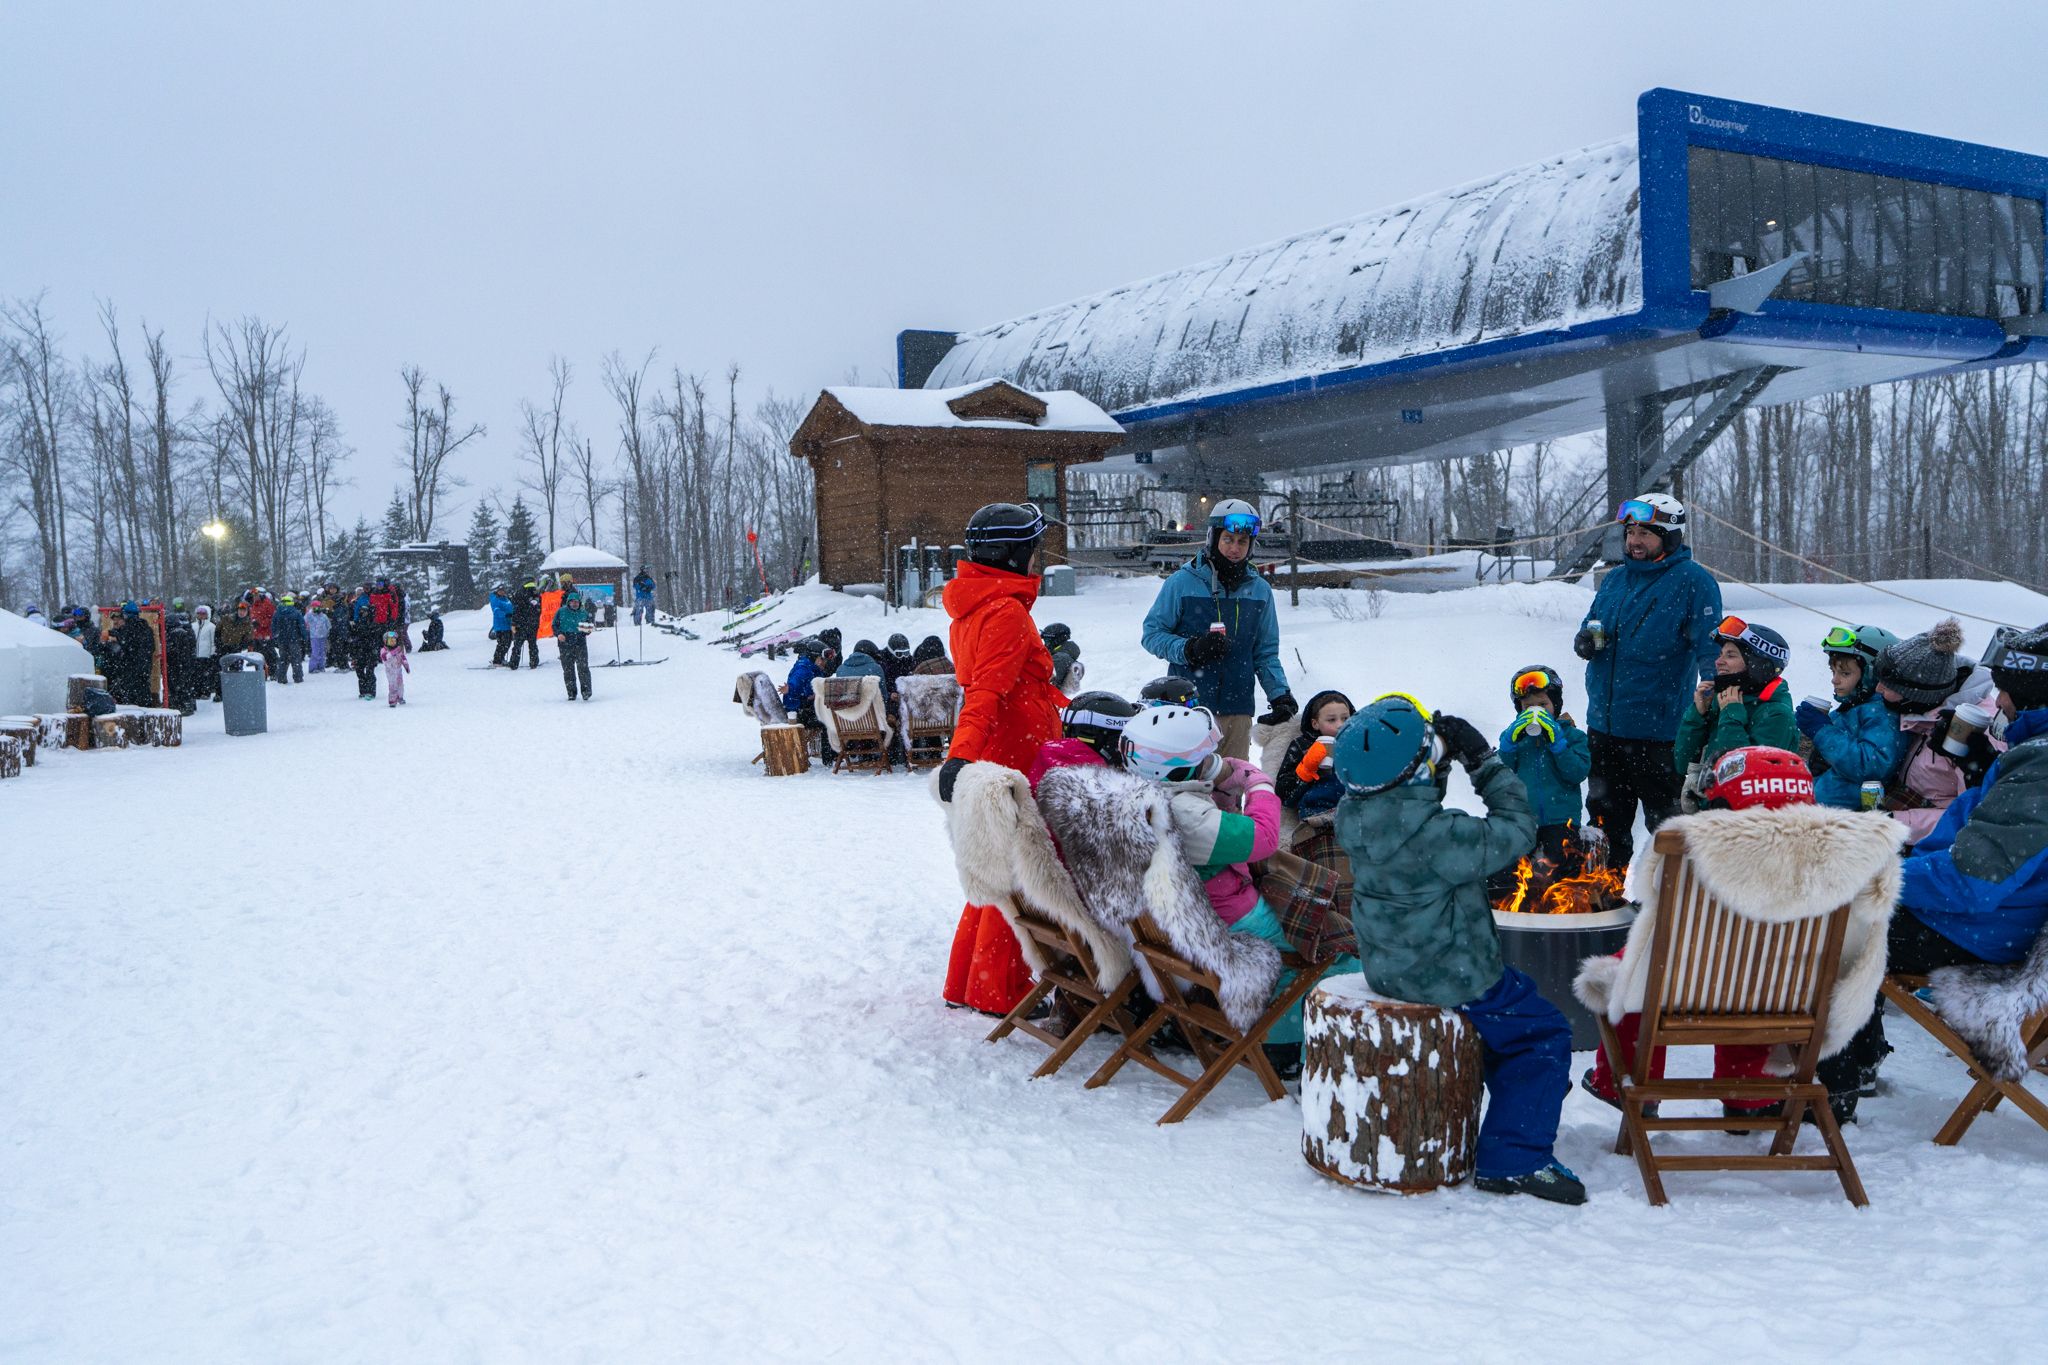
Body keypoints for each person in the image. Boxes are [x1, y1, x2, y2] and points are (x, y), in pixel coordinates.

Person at [1331, 694, 1584, 1204]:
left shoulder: (1353, 815)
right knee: (1543, 1034)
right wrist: (1483, 761)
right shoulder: (1441, 836)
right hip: (1450, 974)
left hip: (1390, 965)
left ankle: (1511, 1100)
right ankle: (1516, 1159)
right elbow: (1517, 829)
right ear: (1420, 771)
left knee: (1516, 1008)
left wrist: (1435, 762)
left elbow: (1399, 796)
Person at [1579, 745, 1896, 1127]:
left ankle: (1632, 1086)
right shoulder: (1856, 856)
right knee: (1769, 969)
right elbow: (1862, 952)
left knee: (1632, 966)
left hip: (1694, 992)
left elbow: (1653, 927)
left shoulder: (1690, 850)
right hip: (1796, 999)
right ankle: (1748, 1095)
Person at [1821, 621, 2048, 1113]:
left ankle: (1826, 1088)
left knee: (1822, 928)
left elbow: (1970, 881)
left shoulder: (2040, 769)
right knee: (1841, 911)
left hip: (1987, 931)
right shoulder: (2031, 755)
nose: (1999, 701)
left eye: (2006, 689)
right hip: (1994, 917)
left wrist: (1876, 879)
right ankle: (1850, 1066)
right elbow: (1961, 846)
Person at [1123, 702, 1359, 1077]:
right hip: (1225, 919)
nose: (1214, 762)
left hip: (1187, 915)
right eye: (1205, 759)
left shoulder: (1141, 797)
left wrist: (1216, 788)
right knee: (1324, 947)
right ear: (1180, 767)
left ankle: (1281, 1040)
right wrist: (1258, 783)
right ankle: (1290, 1047)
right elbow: (1263, 839)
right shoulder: (1186, 816)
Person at [935, 502, 1067, 1016]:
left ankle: (966, 981)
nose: (1037, 558)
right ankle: (999, 989)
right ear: (1011, 554)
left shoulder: (977, 606)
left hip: (1001, 747)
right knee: (1016, 873)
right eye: (1031, 548)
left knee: (990, 869)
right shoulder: (1006, 611)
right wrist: (958, 758)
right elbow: (986, 693)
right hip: (1015, 752)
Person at [1572, 493, 1722, 866]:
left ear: (1670, 537)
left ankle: (1669, 912)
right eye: (1630, 532)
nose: (1634, 541)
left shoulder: (1693, 581)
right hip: (1605, 730)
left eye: (1645, 533)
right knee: (1604, 829)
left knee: (1669, 834)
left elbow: (1711, 651)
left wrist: (1714, 711)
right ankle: (1602, 905)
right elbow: (1593, 621)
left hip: (1659, 736)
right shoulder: (1616, 580)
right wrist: (1585, 639)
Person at [1140, 498, 1294, 760]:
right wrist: (1189, 649)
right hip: (1189, 708)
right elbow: (1152, 635)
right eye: (1228, 539)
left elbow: (1265, 652)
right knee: (1190, 790)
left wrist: (1280, 695)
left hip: (1238, 709)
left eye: (1242, 542)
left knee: (1232, 788)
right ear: (1213, 538)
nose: (1234, 548)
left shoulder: (1259, 591)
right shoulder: (1182, 583)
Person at [1874, 619, 2003, 842]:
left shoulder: (1973, 730)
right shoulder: (1925, 708)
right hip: (1908, 819)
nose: (1878, 689)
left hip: (1935, 843)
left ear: (1916, 694)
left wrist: (1896, 823)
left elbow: (1972, 818)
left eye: (1888, 686)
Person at [1674, 616, 1796, 804]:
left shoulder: (1776, 714)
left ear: (1758, 664)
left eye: (1730, 655)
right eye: (1720, 654)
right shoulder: (1723, 699)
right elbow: (1682, 763)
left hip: (1748, 819)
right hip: (1715, 811)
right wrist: (1697, 716)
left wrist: (1732, 716)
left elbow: (1742, 776)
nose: (1718, 662)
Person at [1495, 665, 1594, 879]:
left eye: (1543, 704)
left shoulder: (1572, 736)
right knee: (1504, 872)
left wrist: (1558, 743)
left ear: (1555, 705)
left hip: (1561, 821)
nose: (1536, 710)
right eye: (1528, 706)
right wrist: (1508, 745)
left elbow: (1577, 773)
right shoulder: (1514, 737)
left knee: (1561, 871)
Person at [1794, 624, 1904, 811]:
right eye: (1833, 671)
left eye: (1845, 673)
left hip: (1847, 817)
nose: (1835, 679)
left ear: (1872, 674)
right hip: (1822, 807)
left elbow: (1872, 766)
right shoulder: (1853, 706)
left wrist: (1822, 730)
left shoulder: (1882, 714)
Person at [1273, 689, 1356, 820]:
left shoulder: (1359, 741)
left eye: (1345, 718)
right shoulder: (1301, 745)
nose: (1340, 724)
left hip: (1355, 809)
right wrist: (1305, 769)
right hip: (1316, 812)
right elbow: (1284, 795)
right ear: (1315, 723)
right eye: (1331, 720)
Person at [783, 637, 833, 762]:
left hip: (807, 707)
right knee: (828, 721)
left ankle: (833, 755)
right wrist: (805, 697)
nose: (824, 662)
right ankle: (829, 759)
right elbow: (792, 690)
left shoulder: (813, 668)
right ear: (813, 657)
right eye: (822, 659)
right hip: (799, 712)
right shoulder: (803, 670)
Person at [553, 590, 594, 701]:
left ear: (579, 602)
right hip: (564, 644)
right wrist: (559, 634)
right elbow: (554, 626)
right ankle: (571, 693)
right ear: (568, 602)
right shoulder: (561, 612)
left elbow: (589, 627)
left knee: (583, 668)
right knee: (568, 670)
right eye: (572, 602)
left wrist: (587, 630)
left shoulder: (583, 613)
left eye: (576, 602)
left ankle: (586, 692)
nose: (574, 604)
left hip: (580, 643)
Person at [163, 608, 198, 716]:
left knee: (179, 685)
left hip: (177, 664)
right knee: (184, 685)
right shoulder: (184, 632)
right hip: (184, 663)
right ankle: (186, 704)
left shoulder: (175, 633)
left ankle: (183, 705)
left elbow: (174, 650)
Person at [350, 589, 383, 700]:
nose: (363, 613)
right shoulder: (357, 624)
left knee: (370, 672)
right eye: (361, 611)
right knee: (360, 672)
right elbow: (354, 639)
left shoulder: (374, 625)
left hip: (370, 650)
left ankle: (371, 691)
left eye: (365, 611)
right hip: (360, 650)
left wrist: (375, 651)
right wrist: (353, 653)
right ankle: (363, 691)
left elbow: (377, 639)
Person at [271, 593, 308, 684]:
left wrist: (275, 636)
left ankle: (281, 677)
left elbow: (273, 627)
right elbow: (302, 626)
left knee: (283, 659)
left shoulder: (277, 613)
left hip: (282, 640)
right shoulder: (296, 613)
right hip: (294, 639)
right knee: (296, 659)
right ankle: (298, 678)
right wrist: (304, 637)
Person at [509, 580, 542, 670]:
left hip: (521, 625)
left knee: (517, 645)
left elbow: (516, 610)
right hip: (533, 625)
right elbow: (539, 611)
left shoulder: (520, 594)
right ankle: (534, 662)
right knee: (533, 645)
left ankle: (513, 663)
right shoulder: (537, 595)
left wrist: (514, 623)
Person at [1040, 622, 1082, 690]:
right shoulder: (1063, 655)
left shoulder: (1059, 659)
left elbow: (1039, 679)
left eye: (1047, 640)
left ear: (1056, 641)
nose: (1045, 644)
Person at [190, 604, 218, 702]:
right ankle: (196, 691)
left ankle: (205, 691)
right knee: (196, 674)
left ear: (207, 614)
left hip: (206, 655)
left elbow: (213, 642)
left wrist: (212, 653)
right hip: (195, 655)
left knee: (205, 675)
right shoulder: (193, 626)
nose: (201, 615)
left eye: (203, 613)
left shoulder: (211, 626)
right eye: (199, 613)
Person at [379, 629, 410, 706]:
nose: (393, 642)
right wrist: (394, 651)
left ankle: (400, 697)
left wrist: (406, 665)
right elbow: (385, 657)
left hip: (398, 670)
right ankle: (392, 700)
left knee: (400, 684)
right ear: (386, 641)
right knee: (393, 685)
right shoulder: (384, 650)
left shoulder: (398, 649)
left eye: (394, 640)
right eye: (391, 641)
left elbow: (402, 657)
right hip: (390, 671)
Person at [306, 600, 331, 674]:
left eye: (318, 607)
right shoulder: (310, 615)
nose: (316, 609)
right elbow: (305, 621)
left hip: (323, 637)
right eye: (314, 607)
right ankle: (313, 668)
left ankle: (321, 666)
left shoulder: (324, 616)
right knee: (315, 652)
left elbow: (328, 625)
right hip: (314, 636)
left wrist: (327, 632)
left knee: (322, 652)